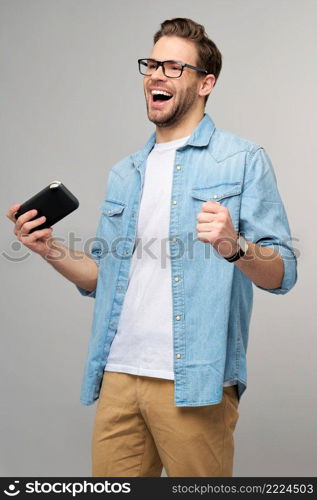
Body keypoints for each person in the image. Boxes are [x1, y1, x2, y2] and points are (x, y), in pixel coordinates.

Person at [6, 17, 297, 477]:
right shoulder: (126, 172)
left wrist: (234, 246)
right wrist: (48, 249)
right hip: (118, 375)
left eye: (174, 67)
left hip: (195, 380)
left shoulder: (242, 160)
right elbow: (102, 278)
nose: (156, 75)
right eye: (152, 64)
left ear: (206, 83)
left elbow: (284, 273)